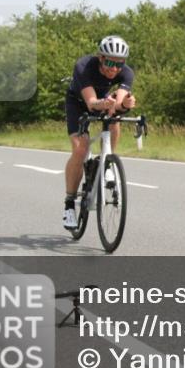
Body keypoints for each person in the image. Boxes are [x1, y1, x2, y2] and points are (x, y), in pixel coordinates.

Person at [62, 36, 137, 229]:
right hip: (79, 103)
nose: (114, 69)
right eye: (110, 62)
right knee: (81, 149)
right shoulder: (84, 66)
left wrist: (124, 105)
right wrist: (105, 104)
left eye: (119, 64)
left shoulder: (126, 73)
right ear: (101, 58)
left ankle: (108, 163)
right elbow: (91, 103)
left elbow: (119, 102)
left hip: (103, 100)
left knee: (115, 120)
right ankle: (69, 204)